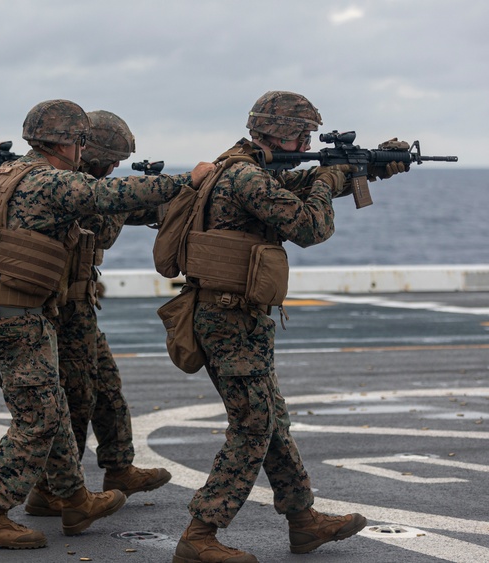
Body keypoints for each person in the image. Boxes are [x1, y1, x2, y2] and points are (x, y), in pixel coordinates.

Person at [0, 99, 210, 549]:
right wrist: (185, 181)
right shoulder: (49, 181)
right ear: (72, 143)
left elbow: (105, 207)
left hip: (4, 312)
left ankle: (73, 500)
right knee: (39, 418)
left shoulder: (12, 173)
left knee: (52, 410)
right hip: (16, 317)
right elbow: (106, 197)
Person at [171, 91, 405, 562]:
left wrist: (367, 168)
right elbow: (310, 226)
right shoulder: (246, 176)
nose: (307, 142)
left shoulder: (238, 167)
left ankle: (303, 521)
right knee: (254, 425)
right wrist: (325, 181)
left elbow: (298, 185)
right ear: (279, 132)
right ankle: (200, 535)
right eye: (304, 135)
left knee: (271, 421)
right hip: (229, 319)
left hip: (233, 315)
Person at [25, 110, 173, 518]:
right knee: (75, 396)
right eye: (111, 164)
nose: (113, 171)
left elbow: (126, 210)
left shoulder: (84, 184)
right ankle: (53, 489)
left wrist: (161, 202)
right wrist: (135, 197)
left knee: (105, 384)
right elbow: (101, 228)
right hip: (58, 306)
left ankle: (119, 467)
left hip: (77, 305)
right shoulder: (68, 188)